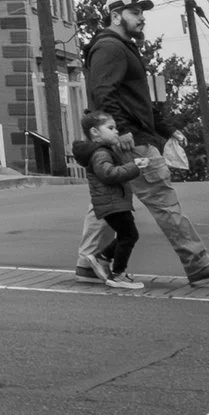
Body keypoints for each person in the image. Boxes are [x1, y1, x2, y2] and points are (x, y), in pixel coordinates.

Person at [80, 0, 209, 286]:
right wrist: (124, 130)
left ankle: (88, 263)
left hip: (132, 135)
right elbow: (103, 93)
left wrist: (165, 128)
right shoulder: (110, 48)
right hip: (132, 140)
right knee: (163, 199)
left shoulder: (121, 48)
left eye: (142, 13)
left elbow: (136, 100)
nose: (142, 18)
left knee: (107, 201)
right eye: (135, 12)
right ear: (116, 16)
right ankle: (197, 261)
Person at [70, 110, 145, 289]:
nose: (116, 131)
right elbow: (107, 174)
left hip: (114, 202)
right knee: (129, 235)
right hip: (112, 203)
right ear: (95, 132)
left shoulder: (102, 151)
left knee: (128, 235)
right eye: (110, 128)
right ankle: (117, 274)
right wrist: (134, 167)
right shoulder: (100, 153)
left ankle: (102, 259)